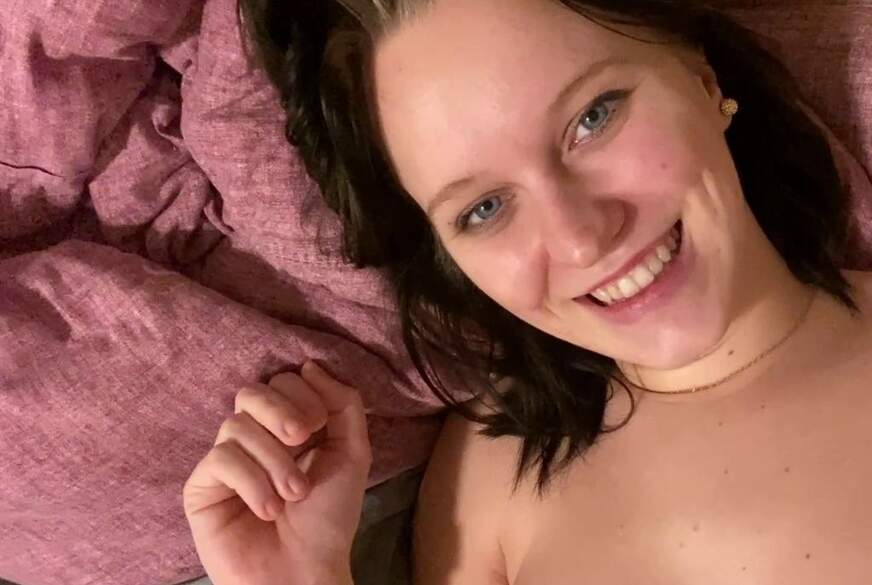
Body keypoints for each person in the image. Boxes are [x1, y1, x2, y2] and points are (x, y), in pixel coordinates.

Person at [183, 0, 872, 582]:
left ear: (699, 74)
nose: (582, 239)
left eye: (594, 118)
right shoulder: (488, 476)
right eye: (484, 208)